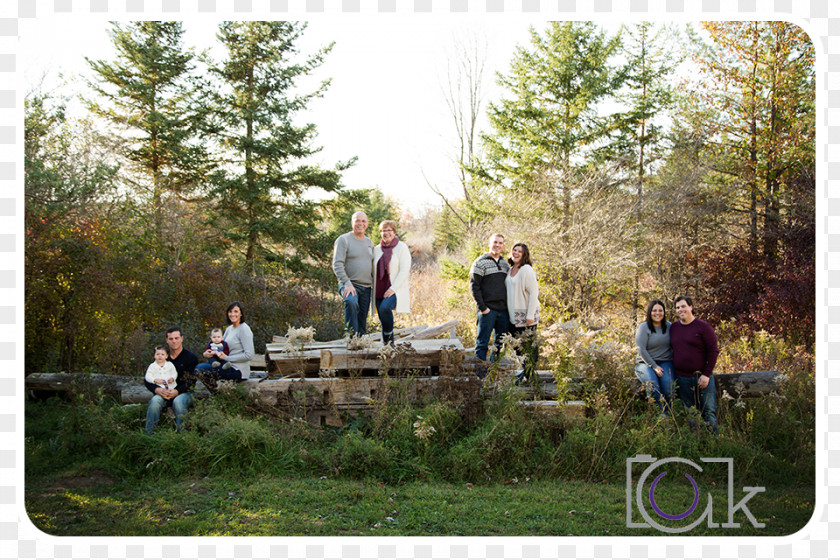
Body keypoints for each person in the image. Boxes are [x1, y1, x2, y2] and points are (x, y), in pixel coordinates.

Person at [670, 295, 719, 433]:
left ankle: (712, 445)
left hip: (702, 377)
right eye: (678, 307)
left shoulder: (704, 327)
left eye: (683, 306)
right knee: (690, 413)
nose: (680, 310)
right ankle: (696, 444)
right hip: (682, 378)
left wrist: (706, 374)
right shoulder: (673, 327)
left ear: (691, 307)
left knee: (708, 412)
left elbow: (713, 351)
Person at [469, 233, 510, 377]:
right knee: (482, 344)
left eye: (500, 243)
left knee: (501, 344)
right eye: (495, 242)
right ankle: (479, 377)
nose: (497, 245)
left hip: (503, 312)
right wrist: (483, 308)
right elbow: (474, 287)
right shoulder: (480, 262)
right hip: (487, 311)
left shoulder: (505, 264)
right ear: (489, 243)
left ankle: (492, 373)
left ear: (503, 246)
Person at [144, 326, 199, 434]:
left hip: (184, 392)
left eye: (176, 338)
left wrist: (177, 391)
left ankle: (183, 435)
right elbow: (147, 379)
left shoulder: (191, 358)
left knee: (178, 401)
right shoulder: (161, 356)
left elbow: (192, 381)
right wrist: (157, 390)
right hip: (163, 391)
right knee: (155, 401)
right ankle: (149, 434)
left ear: (182, 338)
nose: (174, 341)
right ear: (167, 340)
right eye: (171, 339)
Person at [332, 211, 374, 337]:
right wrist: (347, 283)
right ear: (352, 222)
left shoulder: (369, 242)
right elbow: (337, 264)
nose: (360, 224)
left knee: (362, 319)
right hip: (350, 284)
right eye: (357, 220)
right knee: (351, 302)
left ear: (367, 224)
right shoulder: (343, 240)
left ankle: (360, 343)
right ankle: (351, 339)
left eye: (363, 221)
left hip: (366, 287)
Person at [195, 301, 256, 385]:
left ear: (241, 314)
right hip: (224, 365)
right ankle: (218, 393)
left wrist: (227, 358)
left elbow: (249, 355)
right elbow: (221, 347)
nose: (232, 314)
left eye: (236, 311)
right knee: (200, 368)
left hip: (238, 370)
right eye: (230, 312)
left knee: (200, 369)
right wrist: (207, 353)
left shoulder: (244, 329)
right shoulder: (229, 329)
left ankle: (217, 394)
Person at [505, 242, 540, 384]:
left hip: (527, 316)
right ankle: (525, 371)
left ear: (524, 254)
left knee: (528, 346)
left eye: (519, 251)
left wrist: (530, 315)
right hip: (514, 316)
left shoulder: (526, 270)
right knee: (517, 346)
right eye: (514, 250)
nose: (516, 253)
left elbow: (534, 293)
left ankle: (529, 375)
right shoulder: (511, 269)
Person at [372, 220, 412, 345]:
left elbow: (404, 270)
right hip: (379, 288)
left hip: (395, 288)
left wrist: (393, 288)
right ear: (380, 233)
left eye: (389, 230)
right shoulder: (376, 249)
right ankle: (388, 349)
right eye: (383, 230)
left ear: (394, 232)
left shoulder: (402, 247)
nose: (386, 233)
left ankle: (389, 339)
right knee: (383, 319)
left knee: (384, 308)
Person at [634, 299, 674, 417]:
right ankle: (659, 416)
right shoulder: (644, 327)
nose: (657, 313)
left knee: (668, 384)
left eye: (660, 310)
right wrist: (654, 366)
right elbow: (641, 349)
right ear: (649, 312)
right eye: (654, 310)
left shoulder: (669, 326)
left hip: (666, 362)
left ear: (664, 312)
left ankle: (668, 414)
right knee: (652, 385)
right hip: (645, 363)